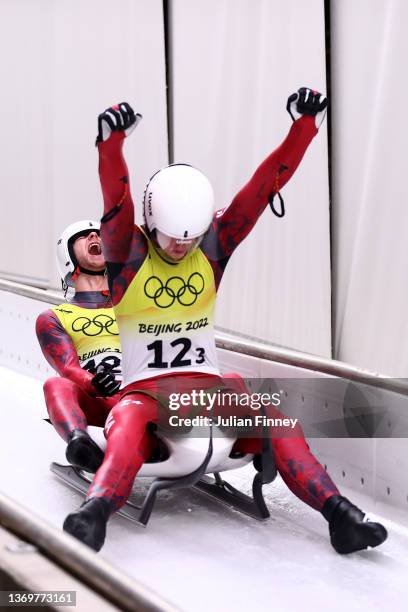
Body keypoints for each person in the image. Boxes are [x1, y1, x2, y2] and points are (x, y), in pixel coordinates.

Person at [63, 88, 387, 554]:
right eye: (174, 238)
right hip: (145, 393)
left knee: (278, 420)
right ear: (152, 225)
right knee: (130, 419)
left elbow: (259, 192)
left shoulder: (212, 247)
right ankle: (95, 512)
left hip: (207, 390)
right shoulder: (127, 255)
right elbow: (116, 200)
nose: (182, 247)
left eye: (191, 238)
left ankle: (339, 515)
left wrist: (303, 129)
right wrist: (111, 144)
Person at [36, 220, 121, 472]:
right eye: (84, 236)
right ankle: (80, 443)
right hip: (102, 400)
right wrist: (92, 383)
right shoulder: (53, 317)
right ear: (68, 256)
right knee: (55, 384)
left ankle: (244, 446)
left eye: (99, 234)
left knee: (231, 382)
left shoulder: (135, 306)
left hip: (145, 394)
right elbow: (67, 367)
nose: (95, 235)